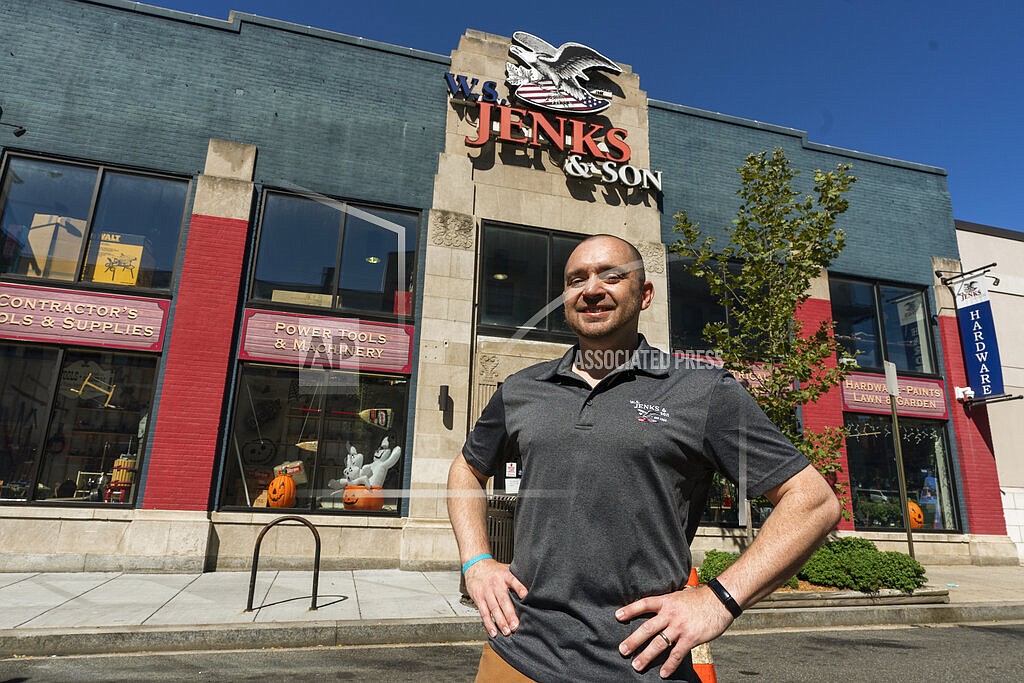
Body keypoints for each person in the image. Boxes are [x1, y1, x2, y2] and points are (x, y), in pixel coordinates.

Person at [447, 234, 842, 681]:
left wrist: (719, 599)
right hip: (517, 656)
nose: (591, 288)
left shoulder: (701, 390)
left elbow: (814, 500)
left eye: (612, 276)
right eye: (577, 279)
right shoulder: (522, 389)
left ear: (645, 294)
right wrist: (477, 562)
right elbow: (466, 468)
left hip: (641, 664)